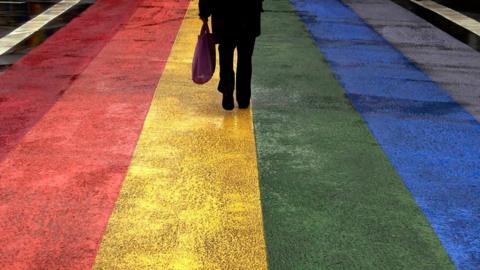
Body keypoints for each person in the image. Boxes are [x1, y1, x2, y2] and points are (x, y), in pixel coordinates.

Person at [199, 0, 263, 110]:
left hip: (224, 16)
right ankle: (243, 98)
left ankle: (227, 93)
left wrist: (204, 12)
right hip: (249, 15)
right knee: (245, 59)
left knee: (225, 56)